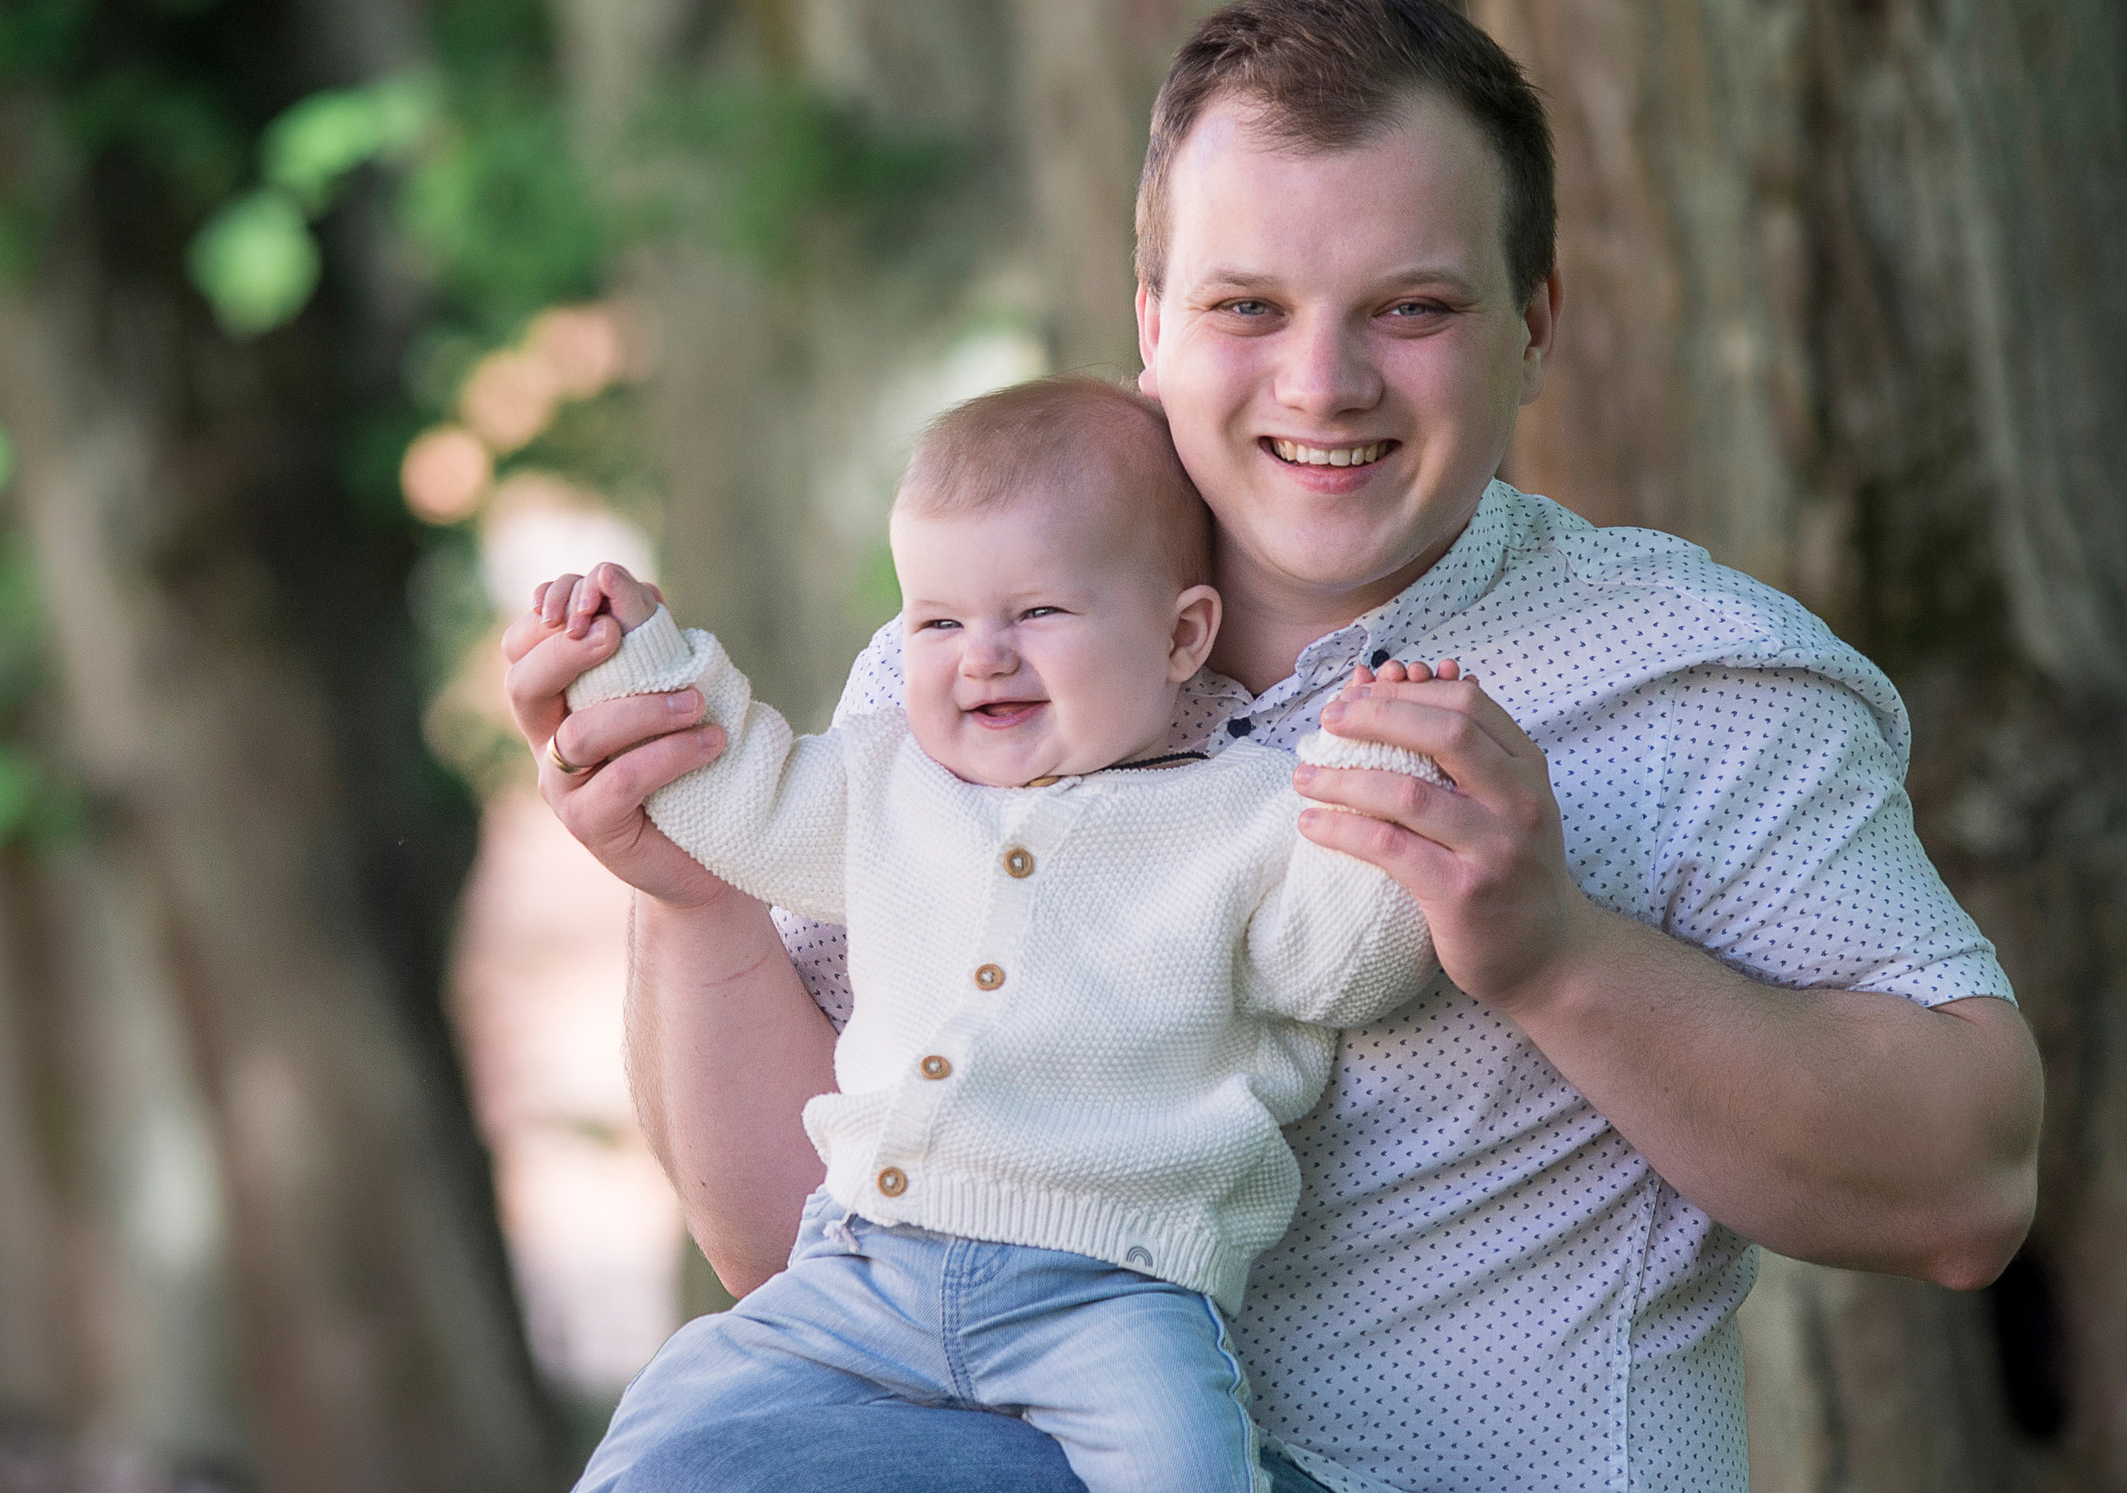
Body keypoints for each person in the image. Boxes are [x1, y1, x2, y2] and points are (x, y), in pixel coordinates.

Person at [503, 0, 2045, 1492]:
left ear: (1537, 324)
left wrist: (1559, 953)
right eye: (1250, 306)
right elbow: (800, 1248)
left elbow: (1966, 1187)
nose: (1325, 381)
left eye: (1414, 306)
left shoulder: (1692, 679)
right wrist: (687, 881)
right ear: (1153, 323)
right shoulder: (968, 662)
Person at [533, 378, 1444, 1493]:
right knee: (671, 1426)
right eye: (937, 622)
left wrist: (1398, 770)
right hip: (861, 1267)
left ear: (1179, 635)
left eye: (1040, 613)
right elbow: (738, 803)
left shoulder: (1244, 818)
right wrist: (636, 661)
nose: (983, 656)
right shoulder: (888, 781)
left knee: (1187, 1471)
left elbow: (1351, 960)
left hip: (1110, 1292)